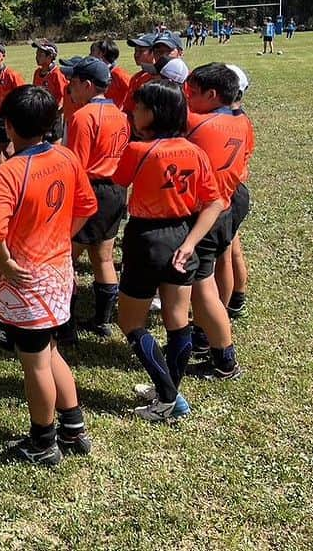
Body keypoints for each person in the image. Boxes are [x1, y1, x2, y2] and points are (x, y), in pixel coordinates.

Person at [0, 85, 97, 465]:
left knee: (35, 363)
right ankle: (73, 427)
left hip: (27, 280)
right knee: (49, 349)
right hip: (59, 272)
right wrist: (61, 236)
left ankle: (43, 442)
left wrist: (7, 261)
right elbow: (86, 207)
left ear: (9, 124)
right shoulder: (67, 158)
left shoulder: (8, 173)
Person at [112, 81, 225, 422]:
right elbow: (214, 202)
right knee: (178, 322)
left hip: (146, 238)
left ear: (155, 112)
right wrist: (190, 243)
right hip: (182, 237)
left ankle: (167, 396)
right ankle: (168, 391)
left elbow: (119, 181)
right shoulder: (196, 152)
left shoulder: (137, 150)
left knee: (130, 321)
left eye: (140, 107)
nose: (134, 112)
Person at [184, 63, 249, 381]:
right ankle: (204, 336)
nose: (188, 98)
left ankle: (224, 359)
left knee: (202, 288)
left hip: (206, 214)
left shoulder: (197, 124)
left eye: (193, 93)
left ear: (212, 95)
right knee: (212, 274)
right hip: (229, 204)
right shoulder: (242, 120)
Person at [62, 57, 130, 338]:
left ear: (87, 85)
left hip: (90, 190)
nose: (69, 87)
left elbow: (76, 166)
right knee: (103, 257)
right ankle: (102, 320)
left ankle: (67, 324)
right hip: (116, 191)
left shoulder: (82, 117)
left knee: (67, 257)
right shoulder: (121, 114)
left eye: (73, 82)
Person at [224, 64, 256, 319]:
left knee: (222, 255)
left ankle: (216, 313)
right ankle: (237, 298)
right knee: (233, 244)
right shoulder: (243, 120)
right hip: (238, 189)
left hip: (227, 192)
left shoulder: (222, 122)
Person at [120, 33, 156, 123]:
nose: (136, 54)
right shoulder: (136, 77)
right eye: (136, 51)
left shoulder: (157, 79)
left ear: (154, 52)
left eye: (141, 51)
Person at [89, 38, 130, 109]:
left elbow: (133, 92)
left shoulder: (118, 74)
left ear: (101, 53)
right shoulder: (95, 73)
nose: (90, 55)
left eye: (93, 51)